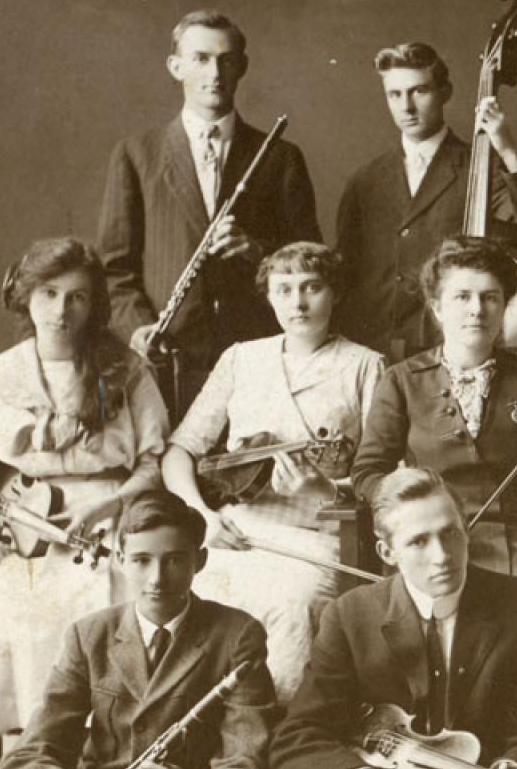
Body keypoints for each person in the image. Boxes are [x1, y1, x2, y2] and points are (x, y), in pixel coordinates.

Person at [0, 237, 169, 758]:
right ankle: (36, 753)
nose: (61, 311)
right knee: (6, 618)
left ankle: (112, 750)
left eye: (77, 297)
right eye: (48, 294)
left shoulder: (127, 369)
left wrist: (109, 506)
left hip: (118, 521)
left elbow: (153, 462)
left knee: (111, 613)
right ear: (26, 297)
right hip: (28, 533)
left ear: (94, 304)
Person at [159, 242, 386, 701]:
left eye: (312, 288)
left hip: (319, 535)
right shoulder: (241, 358)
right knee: (184, 590)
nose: (298, 302)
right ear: (269, 297)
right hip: (235, 528)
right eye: (284, 290)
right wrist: (201, 514)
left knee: (294, 605)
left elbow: (383, 471)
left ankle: (277, 725)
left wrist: (325, 486)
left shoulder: (365, 365)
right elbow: (180, 452)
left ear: (334, 293)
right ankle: (191, 724)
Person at [97, 9, 320, 414]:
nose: (214, 72)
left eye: (226, 59)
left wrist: (259, 253)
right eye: (200, 58)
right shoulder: (136, 154)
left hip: (258, 352)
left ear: (242, 67)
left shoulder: (280, 156)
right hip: (170, 357)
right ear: (175, 66)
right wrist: (138, 329)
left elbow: (311, 258)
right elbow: (114, 269)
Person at [272, 466, 517, 769]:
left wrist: (513, 764)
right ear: (388, 553)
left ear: (466, 531)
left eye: (449, 533)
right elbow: (298, 736)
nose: (441, 556)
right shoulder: (349, 616)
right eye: (418, 542)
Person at [350, 236, 517, 597]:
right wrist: (409, 501)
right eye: (462, 297)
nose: (477, 310)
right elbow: (366, 474)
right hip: (429, 534)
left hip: (514, 537)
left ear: (504, 307)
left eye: (490, 297)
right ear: (437, 308)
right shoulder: (401, 381)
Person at [0, 491, 277, 769]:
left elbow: (245, 759)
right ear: (120, 560)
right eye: (141, 560)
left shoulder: (238, 636)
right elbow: (30, 753)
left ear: (200, 561)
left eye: (175, 561)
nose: (156, 579)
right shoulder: (87, 636)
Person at [336, 42, 517, 360]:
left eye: (419, 91)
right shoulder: (365, 180)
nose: (407, 107)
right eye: (395, 94)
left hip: (451, 347)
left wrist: (508, 149)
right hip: (377, 348)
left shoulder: (485, 166)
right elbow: (346, 274)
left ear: (445, 92)